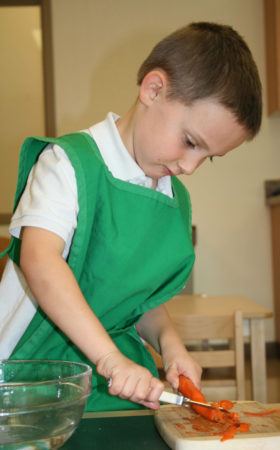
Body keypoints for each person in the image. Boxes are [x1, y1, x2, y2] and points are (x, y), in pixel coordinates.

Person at [0, 22, 262, 412]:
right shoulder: (68, 164)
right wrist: (109, 359)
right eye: (191, 142)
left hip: (112, 383)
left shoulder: (171, 197)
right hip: (29, 374)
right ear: (153, 90)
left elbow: (139, 299)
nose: (190, 166)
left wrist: (170, 344)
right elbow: (40, 261)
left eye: (208, 157)